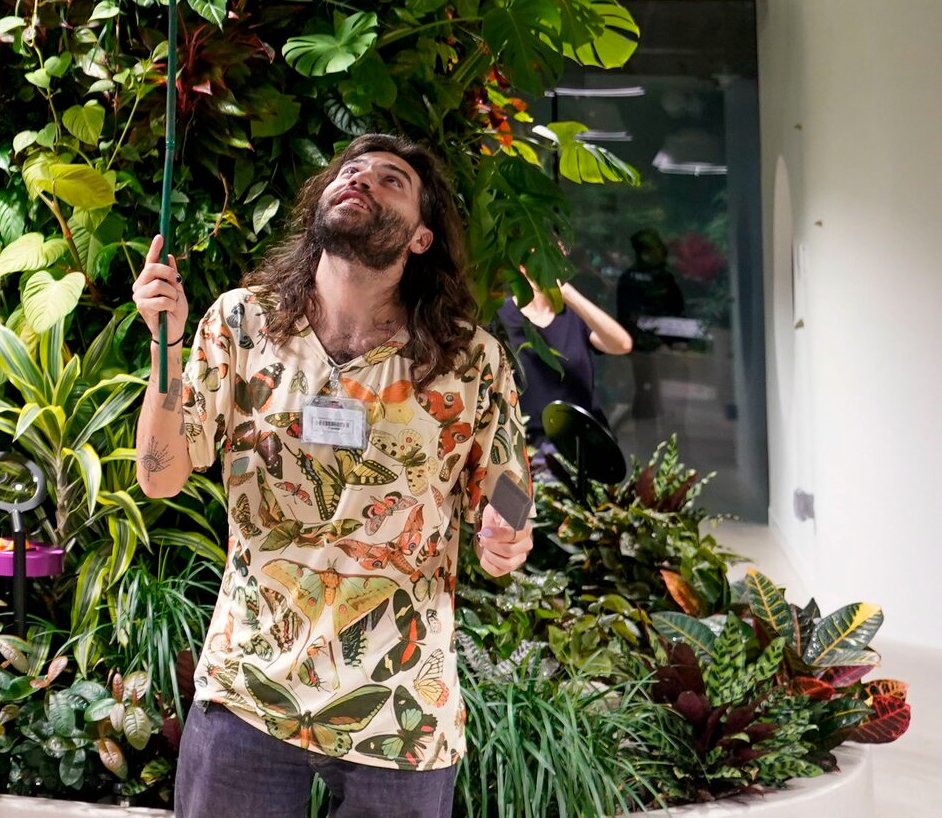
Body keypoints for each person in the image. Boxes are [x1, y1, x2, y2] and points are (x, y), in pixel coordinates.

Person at [132, 134, 531, 817]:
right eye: (350, 170)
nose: (360, 179)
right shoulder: (241, 323)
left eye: (390, 179)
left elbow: (508, 486)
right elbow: (159, 476)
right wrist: (164, 343)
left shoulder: (468, 358)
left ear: (420, 239)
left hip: (399, 704)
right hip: (250, 684)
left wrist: (508, 532)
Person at [495, 263, 632, 453]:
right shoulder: (501, 316)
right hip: (524, 443)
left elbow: (621, 344)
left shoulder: (573, 314)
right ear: (521, 267)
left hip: (581, 443)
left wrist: (568, 294)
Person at [614, 228, 688, 422]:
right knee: (645, 396)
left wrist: (677, 341)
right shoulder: (630, 279)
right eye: (652, 249)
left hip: (669, 348)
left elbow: (677, 309)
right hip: (643, 348)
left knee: (672, 404)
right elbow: (629, 316)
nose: (659, 252)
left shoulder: (666, 277)